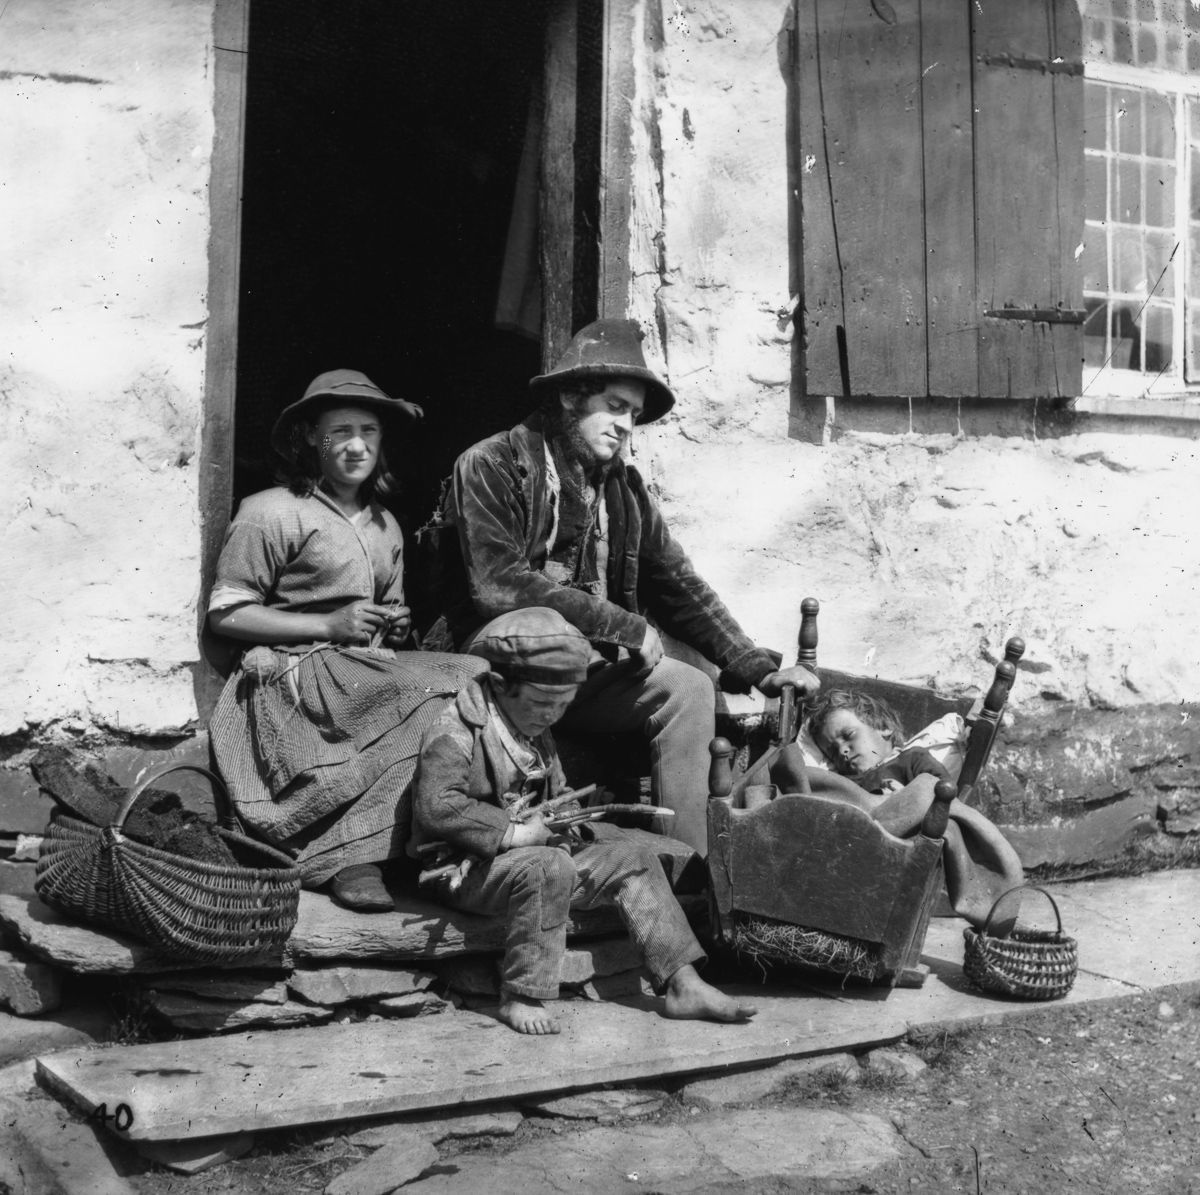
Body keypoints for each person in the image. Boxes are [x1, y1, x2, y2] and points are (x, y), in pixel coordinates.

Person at [430, 318, 819, 854]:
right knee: (566, 635)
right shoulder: (492, 463)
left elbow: (677, 584)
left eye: (633, 415)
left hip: (581, 668)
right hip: (497, 665)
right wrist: (623, 626)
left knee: (689, 685)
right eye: (614, 407)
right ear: (570, 396)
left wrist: (759, 668)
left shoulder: (623, 489)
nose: (625, 426)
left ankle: (694, 874)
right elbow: (498, 586)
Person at [207, 369, 485, 912]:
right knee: (436, 691)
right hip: (293, 676)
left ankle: (436, 840)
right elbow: (228, 613)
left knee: (471, 675)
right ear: (311, 438)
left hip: (361, 667)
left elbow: (386, 608)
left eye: (369, 432)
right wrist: (330, 625)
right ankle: (348, 856)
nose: (357, 445)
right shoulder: (270, 510)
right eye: (340, 432)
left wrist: (394, 623)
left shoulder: (385, 524)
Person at [410, 606, 757, 1035]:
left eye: (562, 706)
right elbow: (437, 806)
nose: (550, 717)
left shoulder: (533, 725)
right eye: (541, 704)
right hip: (465, 870)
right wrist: (515, 833)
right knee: (547, 865)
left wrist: (567, 818)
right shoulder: (456, 729)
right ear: (500, 685)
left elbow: (557, 794)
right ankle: (522, 993)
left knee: (633, 858)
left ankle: (683, 984)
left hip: (530, 857)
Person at [795, 689, 949, 802]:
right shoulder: (846, 783)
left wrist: (909, 798)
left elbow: (945, 790)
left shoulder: (912, 758)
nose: (842, 750)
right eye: (833, 752)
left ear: (884, 727)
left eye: (849, 735)